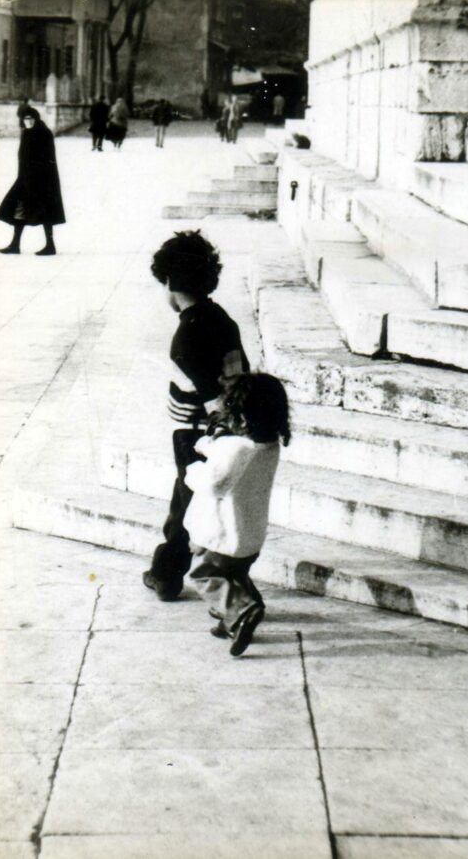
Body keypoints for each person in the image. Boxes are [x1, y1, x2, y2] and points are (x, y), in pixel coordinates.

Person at [142, 230, 249, 602]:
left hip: (197, 433)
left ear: (170, 281)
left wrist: (218, 430)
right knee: (185, 496)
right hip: (223, 427)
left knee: (191, 503)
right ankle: (166, 569)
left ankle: (176, 574)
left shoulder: (185, 339)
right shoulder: (221, 317)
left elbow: (209, 393)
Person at [184, 372, 290, 656]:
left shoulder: (236, 448)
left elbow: (214, 482)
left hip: (221, 534)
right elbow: (228, 454)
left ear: (241, 419)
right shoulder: (268, 445)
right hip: (249, 535)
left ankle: (243, 610)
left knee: (204, 575)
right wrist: (212, 444)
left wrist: (191, 470)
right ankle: (235, 617)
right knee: (234, 576)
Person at [0, 108, 65, 256]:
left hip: (42, 181)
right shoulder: (26, 133)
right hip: (25, 180)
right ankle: (15, 244)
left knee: (45, 212)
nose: (29, 121)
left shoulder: (43, 133)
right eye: (25, 119)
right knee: (19, 210)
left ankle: (50, 245)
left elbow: (47, 159)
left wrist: (37, 177)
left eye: (31, 118)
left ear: (36, 118)